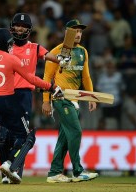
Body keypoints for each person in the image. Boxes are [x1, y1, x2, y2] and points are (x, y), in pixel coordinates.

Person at [0, 13, 69, 184]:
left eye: (24, 26)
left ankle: (14, 171)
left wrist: (62, 60)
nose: (20, 28)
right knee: (6, 136)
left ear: (29, 29)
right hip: (7, 94)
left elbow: (52, 57)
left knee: (19, 134)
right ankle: (6, 172)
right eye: (17, 25)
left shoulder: (35, 48)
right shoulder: (5, 45)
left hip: (24, 95)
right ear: (12, 27)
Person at [41, 19, 99, 183]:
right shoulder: (56, 51)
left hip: (75, 100)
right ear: (67, 32)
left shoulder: (83, 52)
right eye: (75, 31)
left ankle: (54, 172)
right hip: (61, 98)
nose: (79, 34)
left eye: (80, 31)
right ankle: (78, 171)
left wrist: (91, 96)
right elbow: (47, 78)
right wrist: (46, 100)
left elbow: (85, 77)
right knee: (76, 132)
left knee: (65, 137)